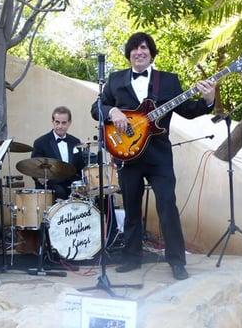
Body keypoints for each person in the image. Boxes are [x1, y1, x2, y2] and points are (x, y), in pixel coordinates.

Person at [91, 32, 215, 280]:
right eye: (135, 49)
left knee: (167, 205)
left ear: (151, 53)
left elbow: (188, 111)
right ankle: (131, 258)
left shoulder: (167, 81)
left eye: (144, 48)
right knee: (131, 207)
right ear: (129, 54)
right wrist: (112, 110)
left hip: (159, 154)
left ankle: (177, 262)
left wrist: (209, 98)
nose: (139, 52)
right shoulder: (115, 80)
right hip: (127, 154)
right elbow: (96, 109)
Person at [31, 106, 84, 200]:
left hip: (71, 184)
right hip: (52, 185)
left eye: (64, 123)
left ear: (69, 123)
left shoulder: (75, 141)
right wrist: (40, 178)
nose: (60, 126)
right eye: (57, 122)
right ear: (53, 122)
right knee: (60, 191)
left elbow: (80, 168)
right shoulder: (41, 142)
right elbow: (34, 168)